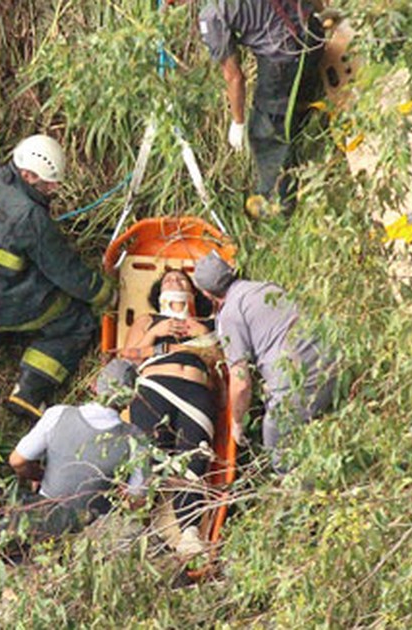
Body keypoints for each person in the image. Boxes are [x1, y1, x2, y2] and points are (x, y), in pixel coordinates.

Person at [0, 134, 114, 421]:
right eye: (49, 183)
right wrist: (105, 294)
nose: (53, 189)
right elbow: (66, 271)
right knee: (77, 320)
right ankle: (29, 391)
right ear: (27, 174)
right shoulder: (28, 217)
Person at [192, 251, 335, 471]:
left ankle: (302, 493)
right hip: (333, 363)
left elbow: (240, 382)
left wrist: (237, 423)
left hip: (300, 382)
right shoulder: (267, 287)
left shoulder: (229, 315)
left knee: (275, 438)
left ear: (206, 293)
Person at [118, 268, 221, 553]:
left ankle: (189, 533)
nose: (174, 282)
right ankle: (139, 529)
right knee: (150, 458)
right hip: (154, 387)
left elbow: (226, 365)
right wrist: (156, 334)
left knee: (193, 459)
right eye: (168, 281)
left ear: (193, 292)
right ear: (159, 294)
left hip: (196, 392)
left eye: (181, 280)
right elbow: (127, 357)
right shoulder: (148, 321)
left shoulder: (208, 323)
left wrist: (204, 335)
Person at [197, 0, 326, 212]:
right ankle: (304, 159)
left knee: (264, 130)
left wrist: (238, 122)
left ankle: (278, 201)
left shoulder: (211, 16)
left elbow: (235, 77)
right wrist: (320, 13)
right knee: (295, 108)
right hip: (313, 36)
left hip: (284, 58)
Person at [7, 359, 146, 535]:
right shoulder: (136, 439)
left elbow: (17, 461)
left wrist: (43, 476)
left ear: (94, 386)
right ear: (131, 398)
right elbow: (138, 497)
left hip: (43, 518)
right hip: (91, 531)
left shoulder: (57, 415)